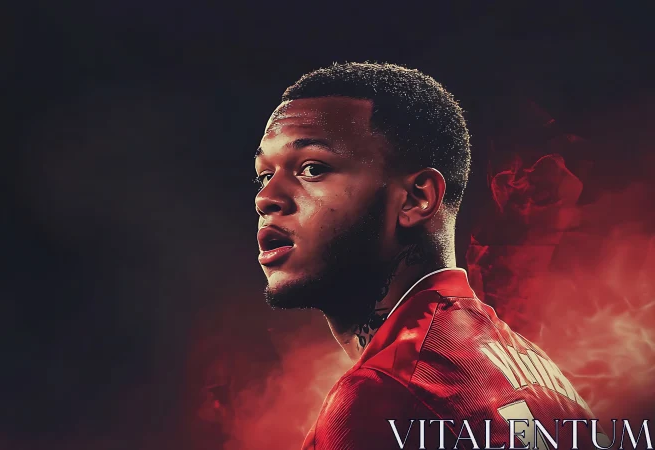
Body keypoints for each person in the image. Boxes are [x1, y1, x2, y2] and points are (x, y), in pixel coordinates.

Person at [254, 62, 607, 449]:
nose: (266, 198)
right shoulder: (533, 368)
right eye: (265, 174)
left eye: (313, 168)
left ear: (417, 198)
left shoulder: (387, 392)